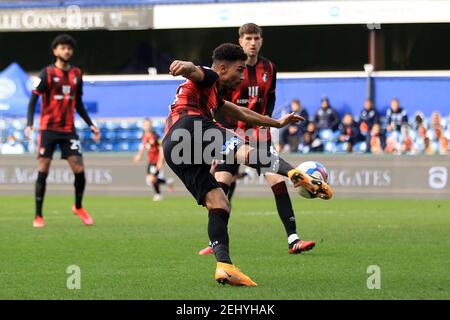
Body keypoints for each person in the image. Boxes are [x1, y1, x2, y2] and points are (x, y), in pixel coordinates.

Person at [163, 43, 333, 286]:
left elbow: (240, 113)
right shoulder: (209, 77)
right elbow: (196, 71)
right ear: (222, 68)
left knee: (219, 202)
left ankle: (224, 266)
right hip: (190, 125)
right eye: (239, 70)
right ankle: (294, 172)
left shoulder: (213, 95)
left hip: (173, 146)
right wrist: (184, 66)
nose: (242, 76)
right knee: (243, 150)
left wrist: (276, 123)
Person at [200, 23, 317, 258]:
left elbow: (270, 97)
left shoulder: (269, 68)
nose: (252, 43)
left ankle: (293, 238)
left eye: (256, 38)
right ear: (240, 41)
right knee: (221, 185)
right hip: (231, 135)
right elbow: (217, 103)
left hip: (259, 136)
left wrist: (266, 121)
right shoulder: (229, 70)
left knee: (277, 180)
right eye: (248, 39)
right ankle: (216, 241)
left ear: (261, 41)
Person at [25, 34, 101, 228]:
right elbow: (34, 99)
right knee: (43, 170)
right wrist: (29, 124)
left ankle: (78, 206)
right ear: (55, 51)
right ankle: (38, 215)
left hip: (68, 131)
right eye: (62, 47)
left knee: (80, 170)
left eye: (69, 48)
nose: (66, 50)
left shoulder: (77, 74)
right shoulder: (47, 73)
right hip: (48, 130)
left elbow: (79, 103)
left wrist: (91, 124)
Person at [133, 118, 174, 201]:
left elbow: (161, 148)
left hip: (157, 161)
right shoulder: (143, 136)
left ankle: (158, 194)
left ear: (151, 125)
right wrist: (138, 155)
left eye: (148, 124)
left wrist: (160, 161)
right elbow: (143, 146)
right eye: (145, 125)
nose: (147, 126)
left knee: (151, 179)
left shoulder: (156, 136)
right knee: (150, 180)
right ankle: (167, 182)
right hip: (150, 161)